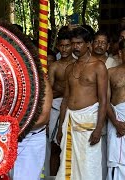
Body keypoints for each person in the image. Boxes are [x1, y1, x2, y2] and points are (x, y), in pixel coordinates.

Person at [56, 26, 108, 180]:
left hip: (89, 122)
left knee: (89, 165)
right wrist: (60, 127)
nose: (75, 47)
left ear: (88, 44)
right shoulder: (69, 68)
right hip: (70, 122)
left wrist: (99, 128)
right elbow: (65, 98)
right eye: (73, 43)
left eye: (79, 43)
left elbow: (103, 99)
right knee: (68, 165)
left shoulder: (98, 67)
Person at [10, 78, 53, 180]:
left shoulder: (42, 81)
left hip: (31, 137)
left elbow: (44, 118)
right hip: (5, 136)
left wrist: (15, 128)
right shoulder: (8, 75)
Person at [46, 25, 75, 176]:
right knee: (54, 146)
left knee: (70, 146)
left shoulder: (77, 64)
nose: (64, 49)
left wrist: (62, 92)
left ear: (72, 46)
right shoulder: (55, 66)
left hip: (72, 108)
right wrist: (62, 92)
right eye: (61, 46)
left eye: (67, 46)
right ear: (58, 46)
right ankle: (52, 177)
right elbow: (49, 90)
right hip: (56, 107)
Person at [106, 39, 125, 180]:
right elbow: (104, 101)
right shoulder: (110, 72)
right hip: (116, 121)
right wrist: (116, 123)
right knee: (116, 166)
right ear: (120, 53)